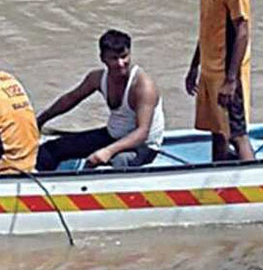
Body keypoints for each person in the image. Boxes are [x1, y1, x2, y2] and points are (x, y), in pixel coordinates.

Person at [35, 29, 165, 171]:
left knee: (117, 161)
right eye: (114, 58)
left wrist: (108, 151)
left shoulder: (143, 87)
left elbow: (142, 132)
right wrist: (40, 121)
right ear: (103, 58)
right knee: (50, 149)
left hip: (142, 146)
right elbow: (70, 99)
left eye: (124, 56)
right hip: (113, 134)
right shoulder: (97, 78)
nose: (121, 63)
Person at [184, 0, 256, 162]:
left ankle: (253, 184)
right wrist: (195, 66)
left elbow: (242, 32)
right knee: (217, 131)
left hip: (226, 75)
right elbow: (208, 28)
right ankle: (220, 180)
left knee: (237, 134)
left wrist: (231, 80)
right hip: (210, 71)